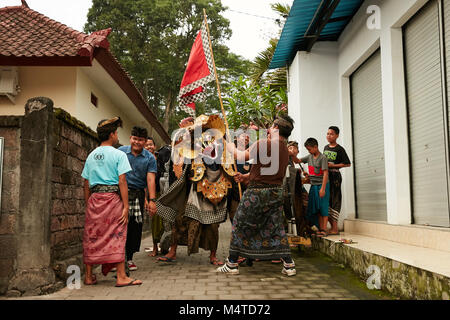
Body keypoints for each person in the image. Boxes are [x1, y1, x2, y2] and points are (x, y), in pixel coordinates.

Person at [216, 114, 297, 276]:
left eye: (272, 126)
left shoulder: (263, 144)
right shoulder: (284, 149)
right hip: (275, 192)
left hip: (257, 193)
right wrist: (246, 177)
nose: (269, 129)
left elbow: (239, 156)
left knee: (239, 223)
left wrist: (227, 142)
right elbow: (271, 172)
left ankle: (232, 263)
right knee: (275, 227)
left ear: (275, 128)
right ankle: (289, 264)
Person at [156, 115, 232, 266]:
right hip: (193, 186)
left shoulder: (221, 143)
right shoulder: (192, 142)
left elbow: (225, 163)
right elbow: (180, 152)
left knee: (212, 224)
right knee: (180, 219)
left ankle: (213, 255)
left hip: (215, 187)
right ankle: (172, 251)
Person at [81, 117, 142, 287]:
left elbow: (86, 183)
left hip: (94, 200)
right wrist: (126, 206)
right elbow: (122, 181)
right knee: (118, 235)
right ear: (111, 134)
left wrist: (88, 204)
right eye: (116, 133)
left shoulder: (91, 155)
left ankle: (88, 276)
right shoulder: (119, 154)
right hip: (112, 200)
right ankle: (122, 276)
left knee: (92, 236)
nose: (117, 136)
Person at [118, 127, 157, 271]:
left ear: (145, 141)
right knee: (118, 226)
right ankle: (116, 259)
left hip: (138, 195)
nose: (137, 142)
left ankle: (129, 259)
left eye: (140, 140)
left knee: (134, 227)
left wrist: (152, 200)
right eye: (135, 139)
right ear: (130, 138)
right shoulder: (121, 151)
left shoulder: (149, 158)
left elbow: (150, 179)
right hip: (120, 194)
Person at [290, 138, 329, 237]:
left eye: (310, 149)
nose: (309, 151)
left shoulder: (322, 158)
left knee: (323, 208)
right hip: (313, 185)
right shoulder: (309, 156)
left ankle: (324, 229)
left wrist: (323, 189)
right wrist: (291, 154)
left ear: (315, 147)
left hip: (322, 185)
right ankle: (319, 228)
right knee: (314, 208)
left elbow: (325, 174)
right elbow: (297, 161)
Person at [323, 126, 351, 235]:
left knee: (335, 200)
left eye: (331, 134)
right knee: (327, 201)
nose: (329, 136)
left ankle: (335, 228)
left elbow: (347, 163)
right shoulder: (325, 147)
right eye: (327, 133)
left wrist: (334, 165)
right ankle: (331, 227)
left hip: (335, 177)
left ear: (337, 136)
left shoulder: (339, 149)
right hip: (326, 176)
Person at [144, 136, 164, 257]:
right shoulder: (143, 160)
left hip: (164, 193)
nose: (149, 147)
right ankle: (155, 247)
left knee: (165, 221)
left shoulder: (161, 158)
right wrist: (146, 199)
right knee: (154, 221)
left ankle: (164, 245)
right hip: (153, 195)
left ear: (154, 146)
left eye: (151, 144)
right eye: (146, 145)